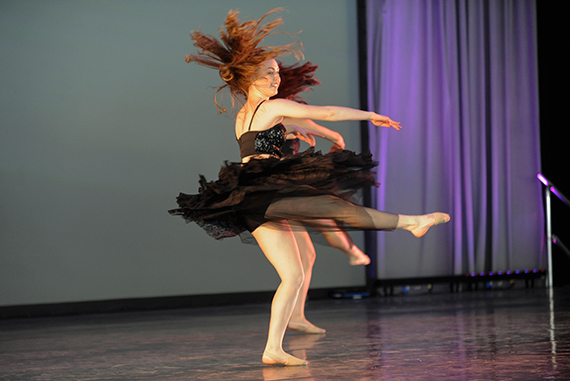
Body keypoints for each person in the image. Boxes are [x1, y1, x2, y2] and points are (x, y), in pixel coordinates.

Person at [169, 9, 450, 366]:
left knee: (294, 273)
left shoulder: (247, 115)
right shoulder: (272, 107)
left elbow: (291, 128)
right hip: (266, 189)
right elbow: (327, 111)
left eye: (277, 72)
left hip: (249, 197)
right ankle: (411, 223)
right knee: (333, 209)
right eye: (268, 72)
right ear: (250, 77)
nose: (276, 77)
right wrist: (369, 116)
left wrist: (320, 133)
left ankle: (273, 348)